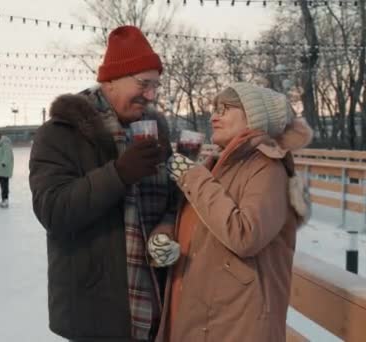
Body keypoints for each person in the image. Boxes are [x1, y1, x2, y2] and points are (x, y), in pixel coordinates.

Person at [29, 25, 180, 341]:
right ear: (110, 80)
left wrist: (167, 224)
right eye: (143, 84)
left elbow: (173, 201)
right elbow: (53, 211)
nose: (150, 95)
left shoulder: (155, 131)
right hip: (94, 311)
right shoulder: (61, 132)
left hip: (157, 304)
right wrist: (119, 174)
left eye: (155, 86)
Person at [158, 83, 312, 342]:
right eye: (214, 109)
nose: (213, 116)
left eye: (225, 108)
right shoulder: (218, 165)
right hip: (200, 316)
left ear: (254, 116)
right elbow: (195, 222)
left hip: (234, 325)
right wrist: (162, 237)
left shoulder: (267, 168)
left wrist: (193, 177)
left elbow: (246, 235)